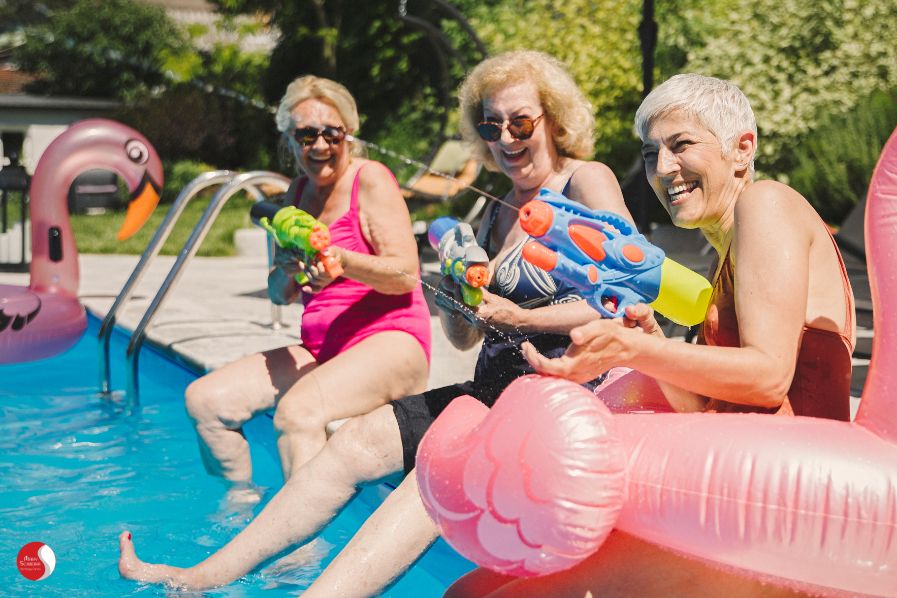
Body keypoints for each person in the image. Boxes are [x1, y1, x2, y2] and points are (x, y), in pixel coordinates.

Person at [118, 50, 633, 595]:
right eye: (491, 125)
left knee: (430, 474)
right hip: (494, 391)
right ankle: (201, 576)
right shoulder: (496, 209)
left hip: (561, 393)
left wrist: (520, 314)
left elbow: (630, 295)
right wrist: (459, 300)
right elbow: (467, 336)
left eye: (521, 121)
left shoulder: (585, 182)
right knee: (355, 442)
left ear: (553, 117)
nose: (506, 137)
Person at [454, 72, 857, 595]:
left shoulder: (768, 204)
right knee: (474, 587)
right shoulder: (727, 258)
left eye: (681, 145)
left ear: (742, 150)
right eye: (649, 153)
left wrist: (631, 347)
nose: (663, 169)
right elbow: (715, 409)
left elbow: (769, 379)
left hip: (783, 518)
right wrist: (653, 348)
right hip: (739, 496)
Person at [183, 75, 432, 489]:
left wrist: (343, 260)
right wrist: (285, 268)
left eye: (331, 134)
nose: (319, 146)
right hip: (325, 348)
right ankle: (240, 516)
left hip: (392, 341)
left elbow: (406, 276)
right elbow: (280, 295)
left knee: (297, 413)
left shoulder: (370, 179)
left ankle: (304, 551)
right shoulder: (298, 193)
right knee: (206, 401)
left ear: (348, 133)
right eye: (306, 135)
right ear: (291, 140)